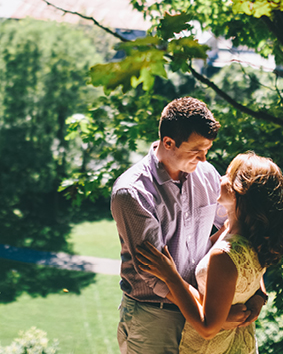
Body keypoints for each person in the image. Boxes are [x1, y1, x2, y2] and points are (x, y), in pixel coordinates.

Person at [111, 97, 266, 354]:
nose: (204, 158)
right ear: (168, 143)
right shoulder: (133, 193)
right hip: (155, 318)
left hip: (203, 313)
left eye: (207, 149)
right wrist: (211, 315)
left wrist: (258, 292)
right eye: (197, 150)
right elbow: (155, 275)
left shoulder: (205, 174)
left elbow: (238, 230)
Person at [136, 152, 283, 354]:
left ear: (240, 191)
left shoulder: (224, 255)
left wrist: (170, 276)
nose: (221, 178)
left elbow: (208, 328)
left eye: (228, 175)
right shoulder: (252, 236)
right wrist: (259, 295)